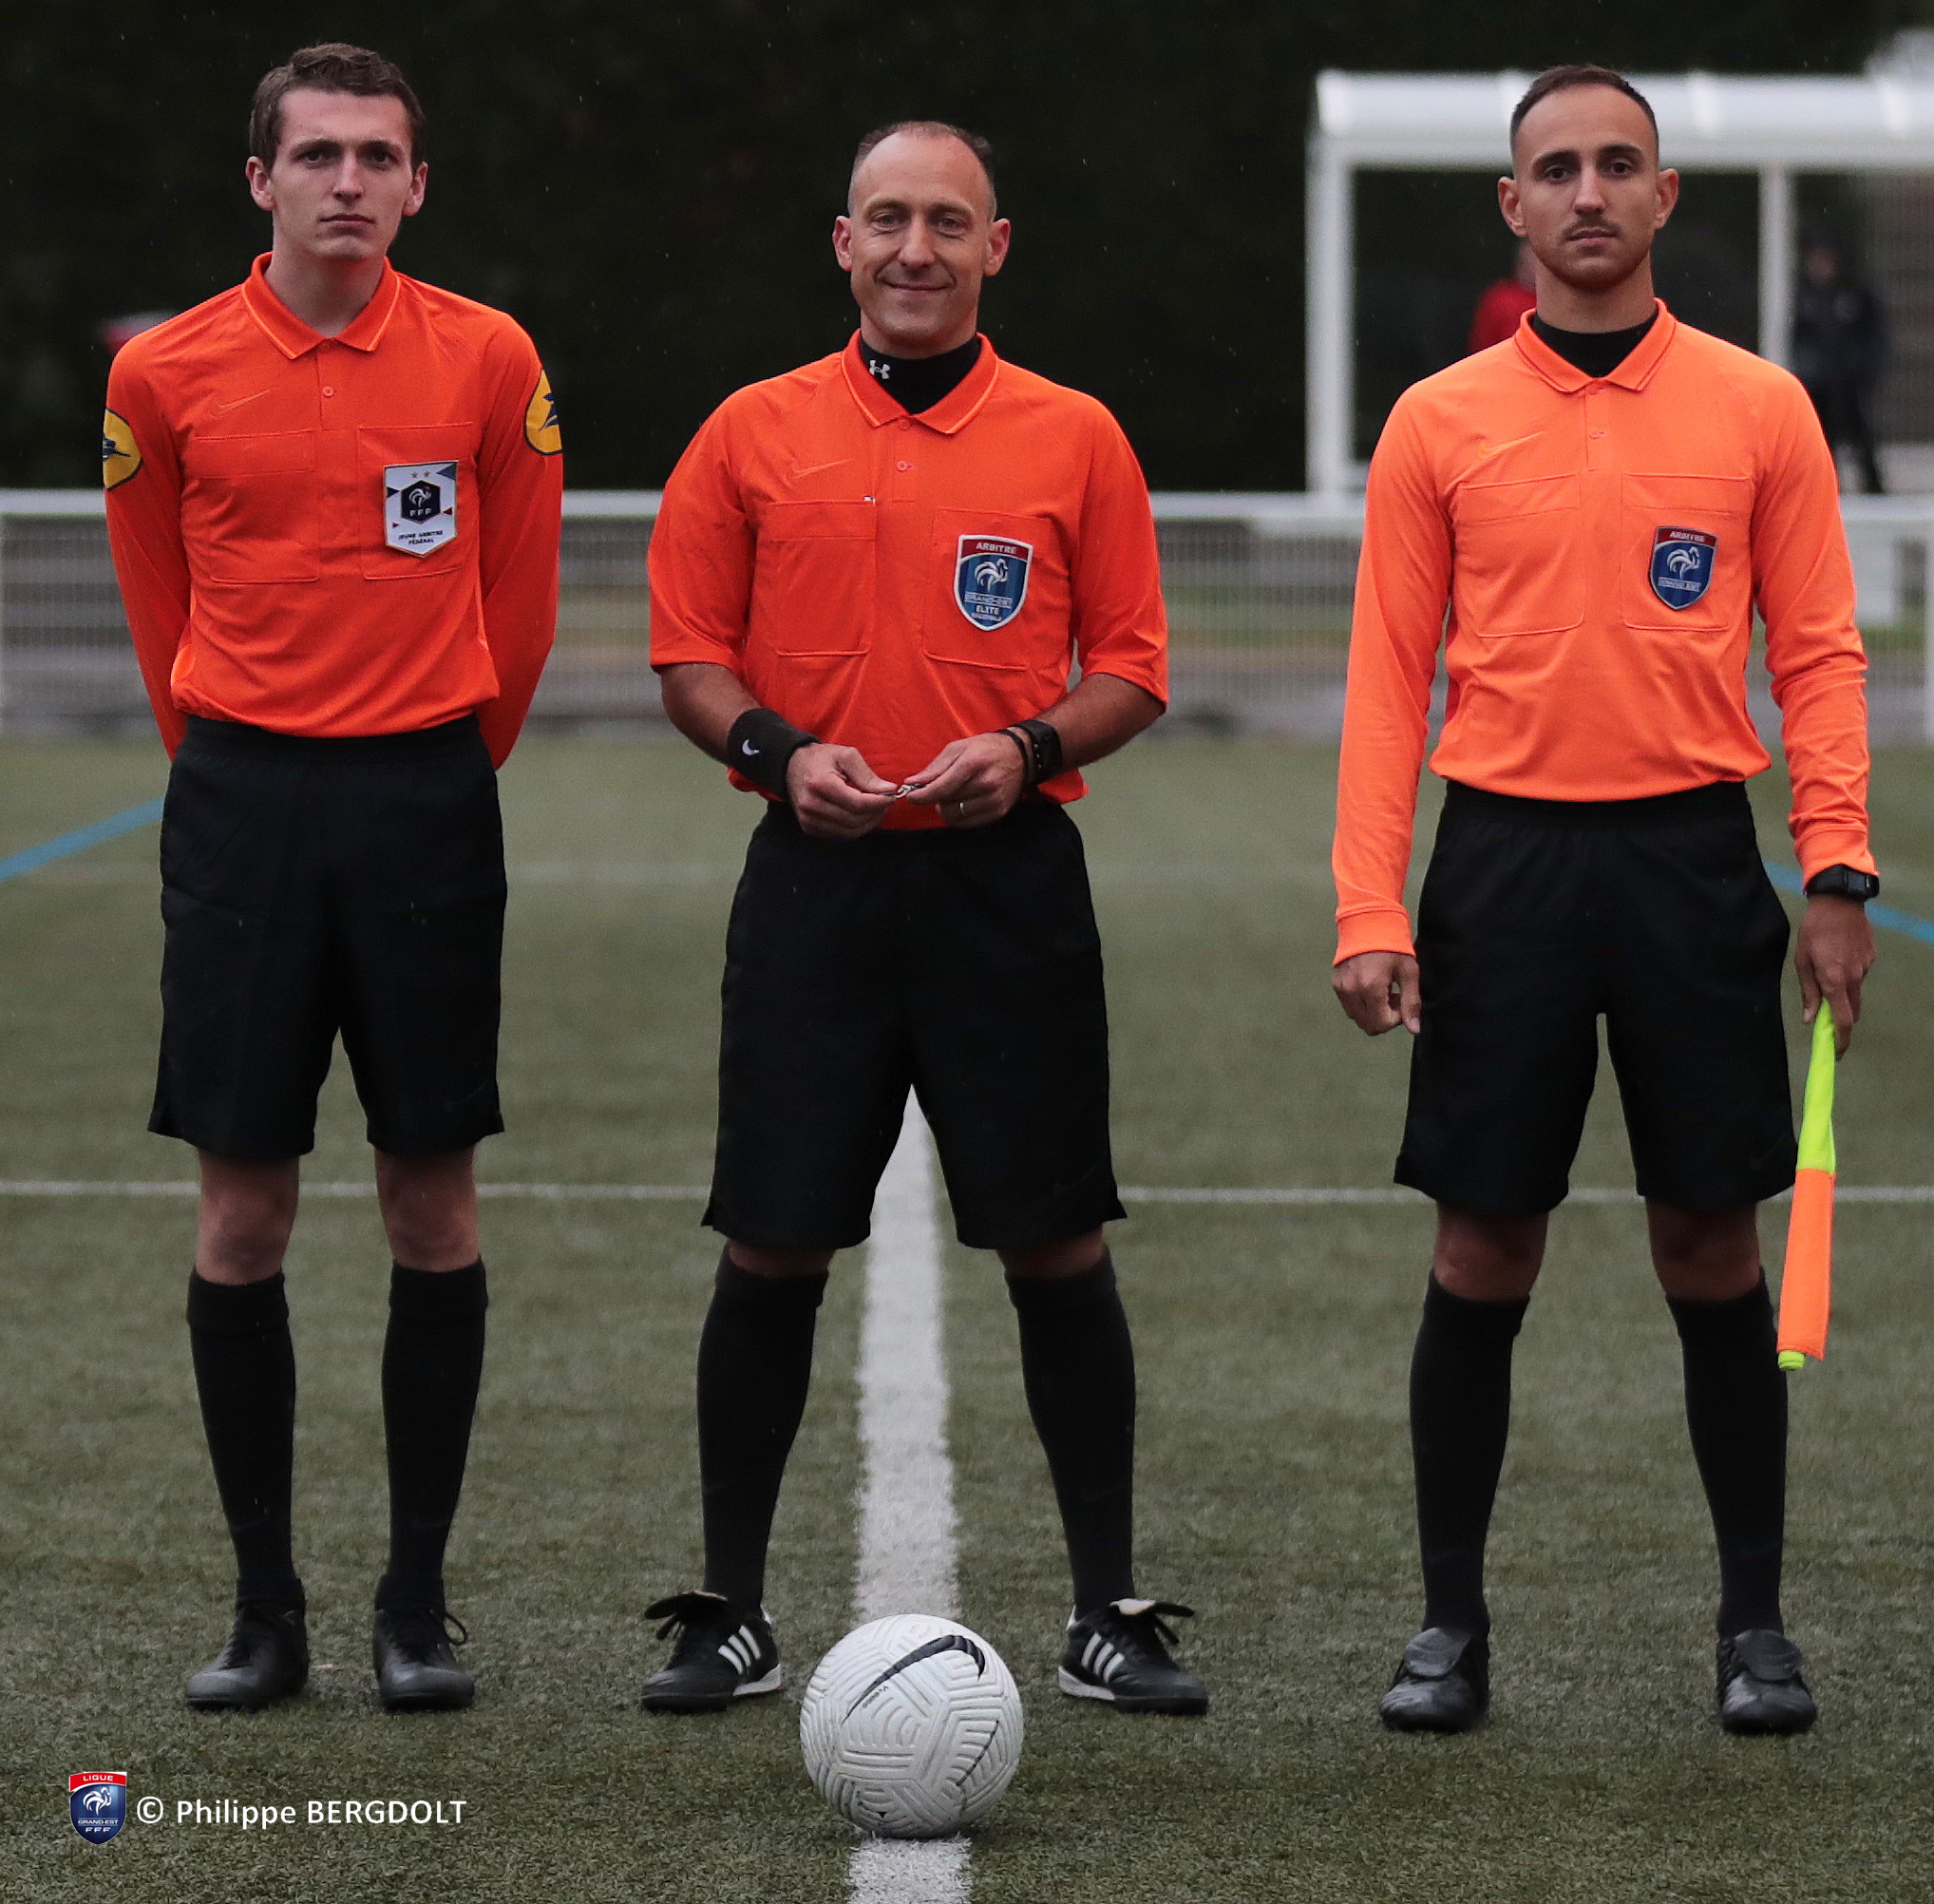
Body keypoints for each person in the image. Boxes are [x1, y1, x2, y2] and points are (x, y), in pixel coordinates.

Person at [1331, 65, 1877, 1737]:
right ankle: (1448, 1626)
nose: (1588, 192)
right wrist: (1370, 906)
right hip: (1500, 866)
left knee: (1709, 1241)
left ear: (1662, 197)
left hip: (1691, 864)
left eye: (1617, 164)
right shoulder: (1437, 420)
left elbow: (1820, 654)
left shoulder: (1760, 409)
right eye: (1556, 168)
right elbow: (1386, 681)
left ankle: (1754, 1628)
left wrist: (1837, 869)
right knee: (1482, 1241)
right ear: (1513, 206)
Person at [642, 120, 1205, 1717]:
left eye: (947, 222)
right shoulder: (751, 430)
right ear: (843, 242)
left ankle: (1107, 1609)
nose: (914, 248)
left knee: (1055, 1236)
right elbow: (687, 653)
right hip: (812, 883)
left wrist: (1026, 745)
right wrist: (778, 753)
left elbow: (1133, 667)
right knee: (771, 1236)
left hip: (1005, 884)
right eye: (886, 218)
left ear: (994, 246)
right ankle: (729, 1608)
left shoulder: (1074, 436)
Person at [104, 43, 562, 1714]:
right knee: (242, 1214)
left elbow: (520, 595)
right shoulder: (164, 371)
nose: (348, 181)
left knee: (430, 1203)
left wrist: (431, 761)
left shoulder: (488, 356)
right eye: (318, 155)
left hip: (426, 800)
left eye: (378, 156)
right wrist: (246, 760)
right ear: (263, 181)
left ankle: (415, 1606)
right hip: (243, 807)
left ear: (417, 186)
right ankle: (264, 1611)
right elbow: (156, 595)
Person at [1792, 242, 1887, 495]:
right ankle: (1828, 484)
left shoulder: (1855, 295)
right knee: (1824, 435)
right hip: (1820, 381)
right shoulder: (1807, 297)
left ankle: (1873, 485)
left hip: (1849, 380)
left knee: (1860, 433)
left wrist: (1864, 368)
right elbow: (1801, 337)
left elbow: (1874, 335)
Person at [1468, 240, 1539, 353]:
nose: (1534, 264)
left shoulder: (1555, 301)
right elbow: (1482, 345)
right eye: (1530, 258)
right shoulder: (1498, 298)